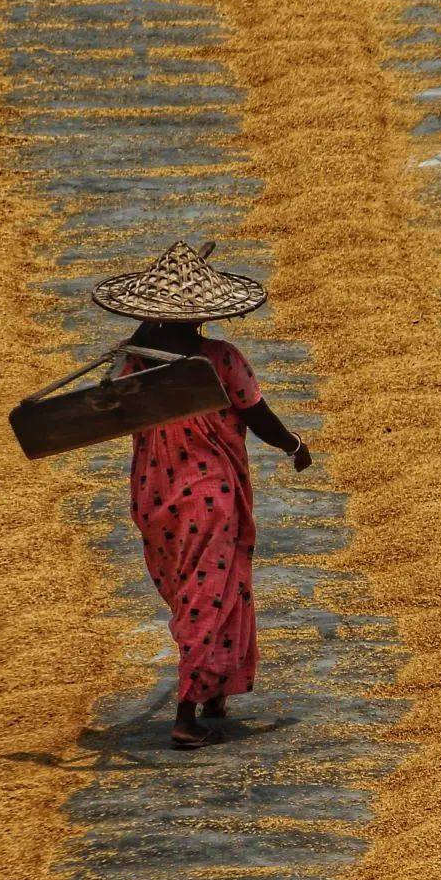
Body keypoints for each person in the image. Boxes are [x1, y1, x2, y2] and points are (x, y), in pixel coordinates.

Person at [92, 240, 311, 749]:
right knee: (208, 594)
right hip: (209, 495)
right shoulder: (220, 360)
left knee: (201, 589)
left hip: (155, 496)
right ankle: (186, 713)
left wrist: (142, 337)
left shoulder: (136, 365)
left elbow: (106, 409)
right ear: (201, 317)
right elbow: (258, 417)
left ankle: (216, 692)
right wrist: (295, 446)